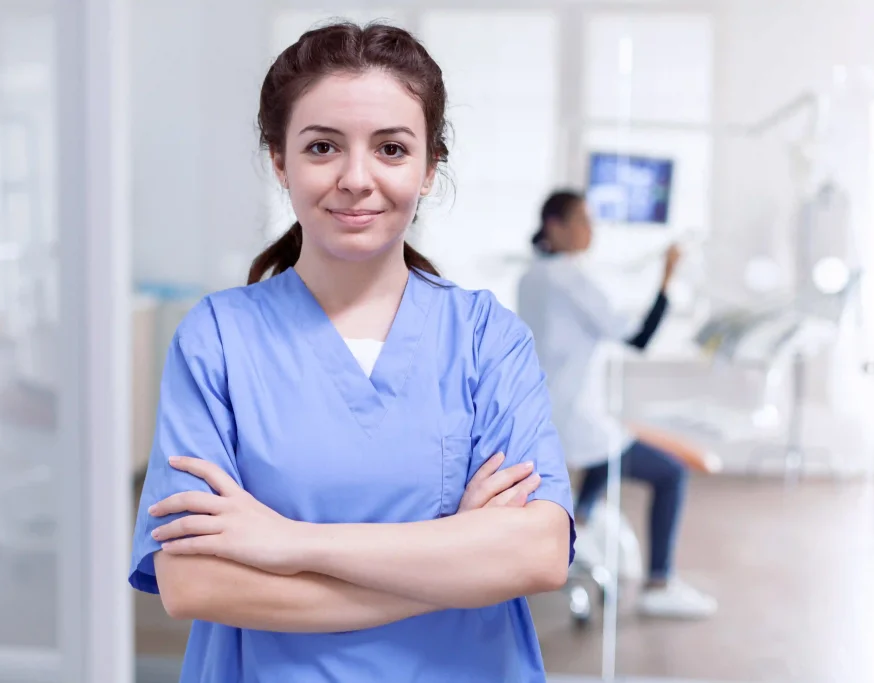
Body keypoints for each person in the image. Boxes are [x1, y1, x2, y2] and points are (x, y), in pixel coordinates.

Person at [129, 21, 576, 683]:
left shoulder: (486, 337)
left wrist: (289, 542)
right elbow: (194, 583)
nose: (356, 178)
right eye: (322, 147)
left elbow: (538, 553)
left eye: (392, 148)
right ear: (280, 161)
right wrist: (455, 559)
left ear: (429, 168)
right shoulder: (217, 339)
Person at [517, 190, 718, 620]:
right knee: (670, 473)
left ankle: (582, 521)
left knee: (606, 450)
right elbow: (639, 338)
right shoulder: (570, 278)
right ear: (556, 226)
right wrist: (667, 277)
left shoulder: (533, 276)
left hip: (547, 415)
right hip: (574, 420)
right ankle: (659, 582)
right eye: (583, 221)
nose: (592, 230)